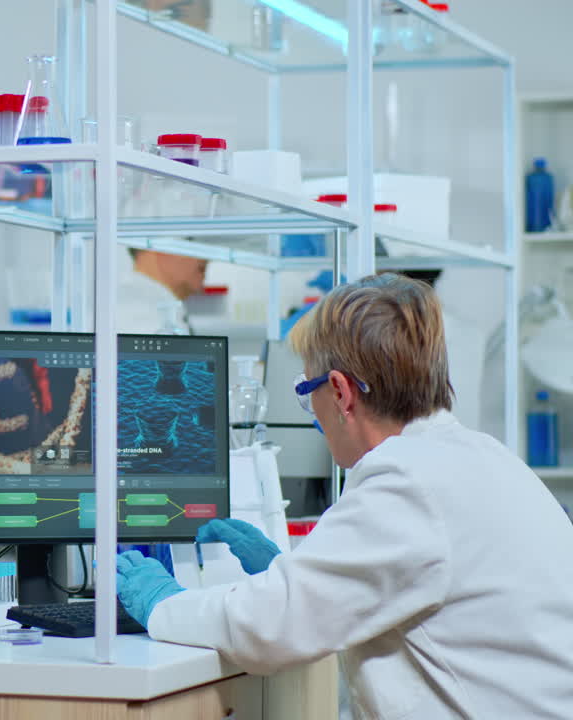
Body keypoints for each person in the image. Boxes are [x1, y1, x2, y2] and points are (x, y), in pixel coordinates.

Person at [116, 273, 573, 718]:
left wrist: (161, 601)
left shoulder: (407, 483)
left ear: (339, 391)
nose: (312, 412)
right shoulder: (479, 456)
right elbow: (367, 590)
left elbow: (274, 625)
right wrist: (286, 570)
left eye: (306, 392)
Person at [118, 246, 208, 334]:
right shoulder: (139, 310)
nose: (205, 257)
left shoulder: (154, 304)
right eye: (189, 240)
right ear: (156, 247)